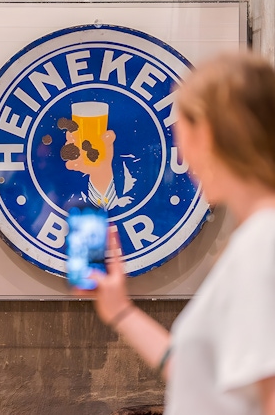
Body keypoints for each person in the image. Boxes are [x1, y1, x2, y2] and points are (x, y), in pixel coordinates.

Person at [88, 51, 275, 414]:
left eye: (180, 134)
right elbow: (204, 382)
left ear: (205, 133)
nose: (183, 158)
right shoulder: (257, 238)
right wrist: (120, 311)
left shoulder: (262, 244)